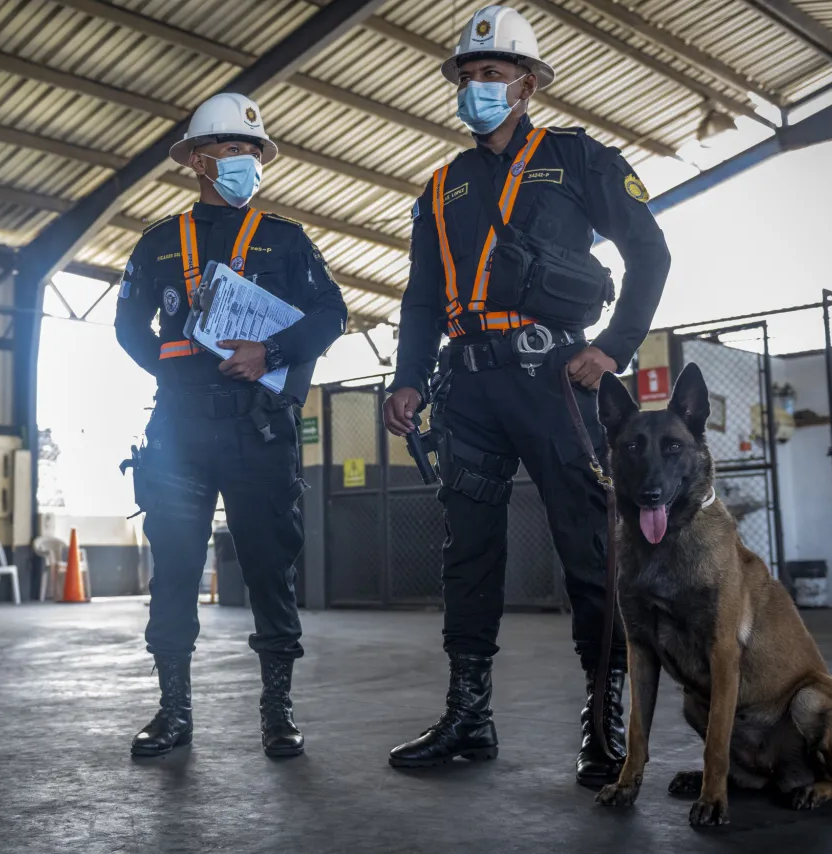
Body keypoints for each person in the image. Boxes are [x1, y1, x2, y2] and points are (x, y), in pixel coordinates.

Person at [381, 5, 671, 787]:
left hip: (557, 382)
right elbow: (418, 298)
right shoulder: (440, 187)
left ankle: (606, 722)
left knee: (587, 547)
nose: (477, 87)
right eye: (467, 76)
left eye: (493, 75)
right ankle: (469, 717)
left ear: (530, 83)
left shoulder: (579, 159)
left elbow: (649, 249)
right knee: (467, 553)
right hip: (467, 386)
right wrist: (409, 377)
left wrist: (613, 347)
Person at [115, 92, 348, 759]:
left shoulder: (286, 240)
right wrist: (179, 370)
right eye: (229, 149)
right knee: (177, 571)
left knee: (271, 571)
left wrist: (269, 354)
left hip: (260, 430)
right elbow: (129, 328)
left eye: (252, 150)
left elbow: (331, 316)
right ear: (196, 160)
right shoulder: (159, 244)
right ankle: (173, 712)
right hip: (180, 432)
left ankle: (278, 712)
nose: (244, 160)